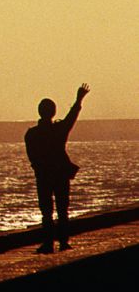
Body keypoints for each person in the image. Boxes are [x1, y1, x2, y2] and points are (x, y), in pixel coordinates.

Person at [24, 84, 90, 254]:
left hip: (44, 176)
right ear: (53, 112)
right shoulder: (59, 130)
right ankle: (63, 242)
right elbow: (71, 117)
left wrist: (41, 168)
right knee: (62, 209)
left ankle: (48, 244)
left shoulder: (32, 134)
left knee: (46, 211)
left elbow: (33, 158)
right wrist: (78, 100)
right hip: (59, 174)